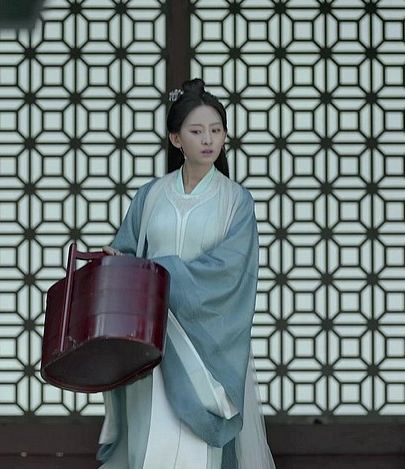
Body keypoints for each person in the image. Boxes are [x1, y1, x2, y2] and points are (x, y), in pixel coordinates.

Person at [98, 79, 275, 468]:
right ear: (176, 139)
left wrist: (156, 273)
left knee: (195, 454)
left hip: (204, 350)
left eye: (216, 130)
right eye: (197, 131)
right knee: (149, 447)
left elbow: (231, 274)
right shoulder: (149, 196)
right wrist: (117, 261)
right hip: (150, 343)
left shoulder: (236, 201)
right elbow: (128, 251)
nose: (208, 140)